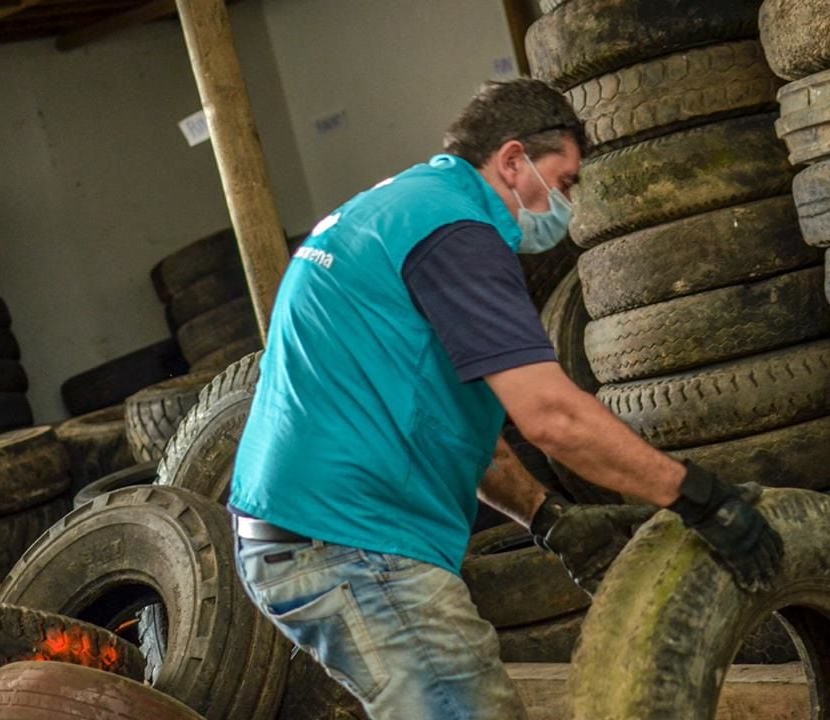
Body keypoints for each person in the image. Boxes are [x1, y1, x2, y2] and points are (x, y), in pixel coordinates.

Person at [228, 78, 784, 720]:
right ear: (513, 160)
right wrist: (698, 497)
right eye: (566, 181)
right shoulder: (456, 232)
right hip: (353, 543)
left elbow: (446, 421)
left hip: (312, 533)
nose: (568, 203)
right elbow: (551, 417)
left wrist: (547, 517)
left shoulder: (406, 209)